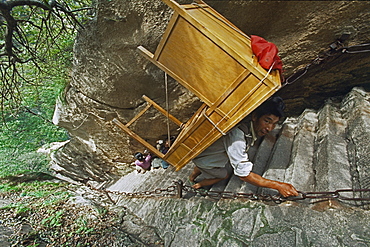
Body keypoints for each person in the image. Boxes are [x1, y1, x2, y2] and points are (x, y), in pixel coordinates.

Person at [189, 96, 299, 197]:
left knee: (206, 163)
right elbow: (243, 174)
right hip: (205, 160)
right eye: (267, 121)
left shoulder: (245, 123)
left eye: (274, 124)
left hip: (205, 154)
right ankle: (199, 184)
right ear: (255, 116)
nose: (270, 128)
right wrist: (278, 185)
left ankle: (192, 176)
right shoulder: (237, 137)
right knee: (224, 175)